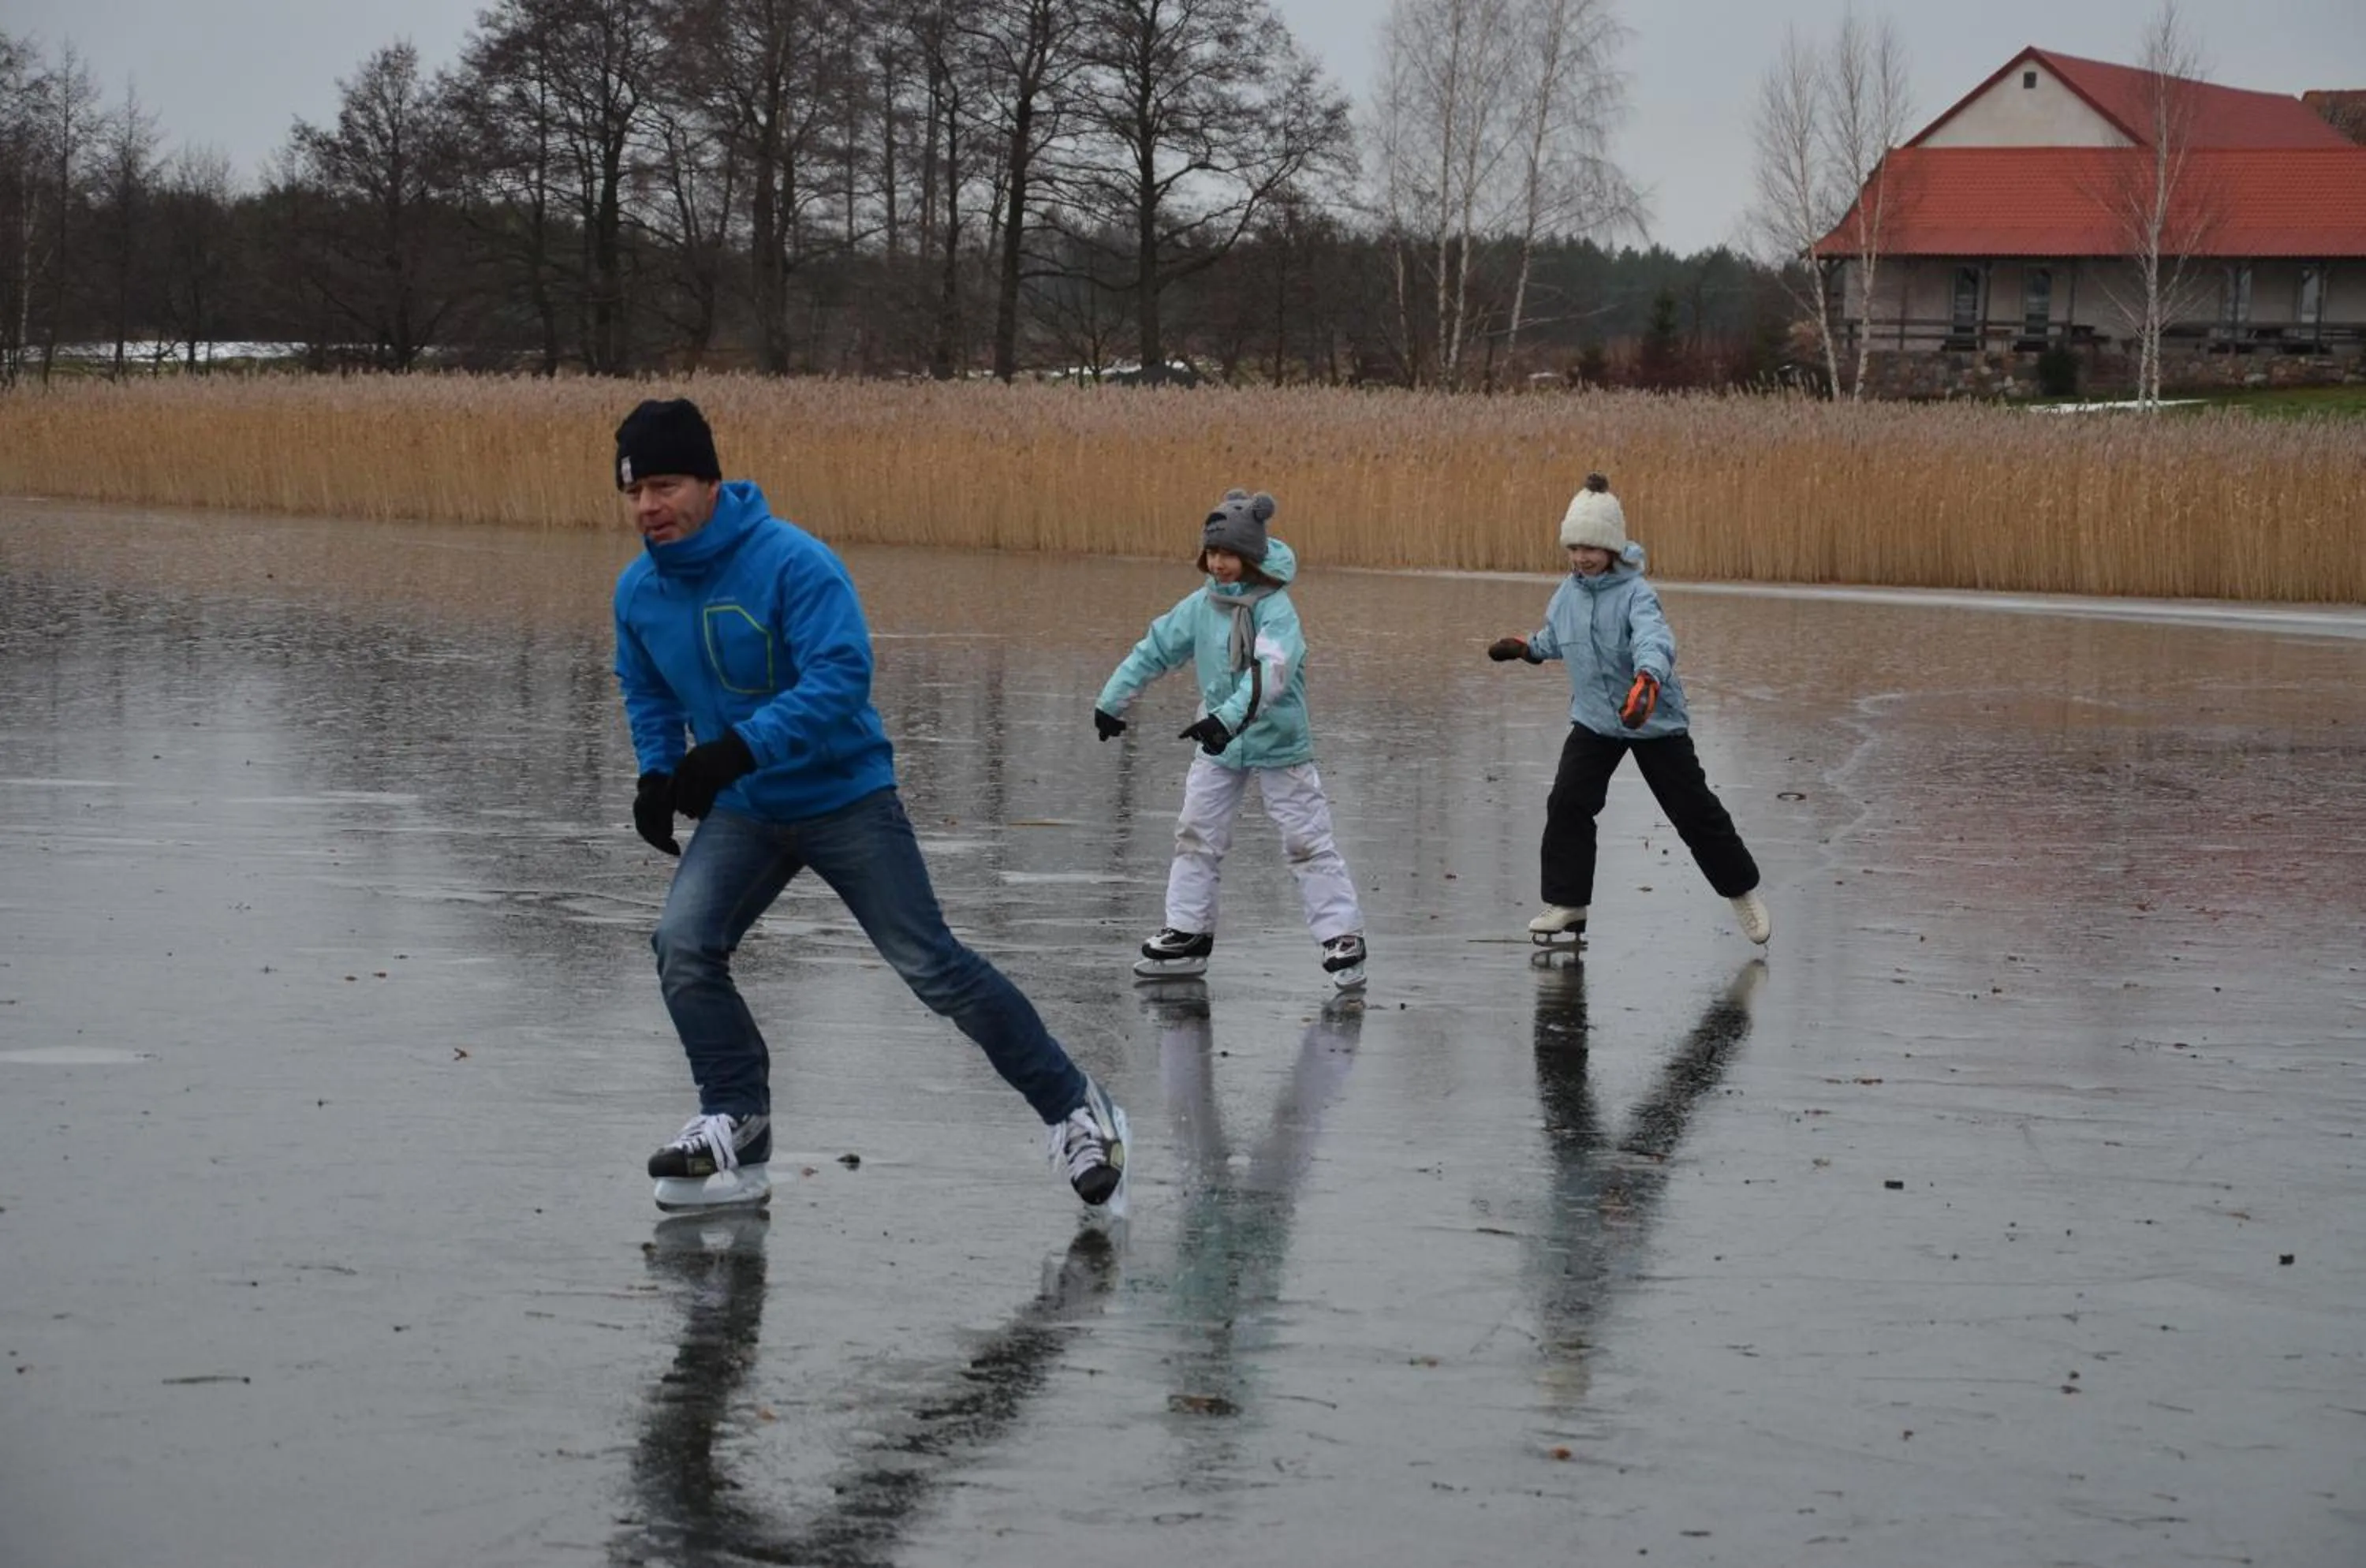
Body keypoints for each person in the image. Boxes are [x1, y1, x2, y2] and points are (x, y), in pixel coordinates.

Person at [610, 398, 1127, 1215]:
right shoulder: (639, 590)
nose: (648, 508)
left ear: (710, 481)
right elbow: (643, 687)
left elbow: (841, 676)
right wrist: (654, 774)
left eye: (665, 486)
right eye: (634, 493)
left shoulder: (792, 563)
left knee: (934, 968)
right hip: (744, 810)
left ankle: (1076, 1109)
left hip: (844, 792)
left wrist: (740, 746)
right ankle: (735, 1123)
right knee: (682, 943)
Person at [1092, 489, 1368, 991]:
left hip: (1278, 743)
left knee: (1306, 840)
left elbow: (1272, 673)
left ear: (1251, 557)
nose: (1218, 564)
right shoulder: (1203, 605)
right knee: (1196, 834)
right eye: (1212, 554)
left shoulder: (1276, 609)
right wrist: (1112, 700)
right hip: (1218, 742)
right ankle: (1188, 932)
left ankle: (1341, 935)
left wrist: (1226, 720)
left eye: (1228, 555)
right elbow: (1155, 648)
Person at [1487, 472, 1771, 949]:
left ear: (1613, 549)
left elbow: (1654, 640)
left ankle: (1741, 890)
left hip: (1651, 719)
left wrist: (1647, 682)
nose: (1583, 557)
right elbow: (1556, 638)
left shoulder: (1637, 594)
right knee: (1568, 802)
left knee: (1694, 811)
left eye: (1592, 548)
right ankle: (1568, 903)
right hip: (1597, 720)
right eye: (1575, 547)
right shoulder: (1567, 594)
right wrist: (1525, 649)